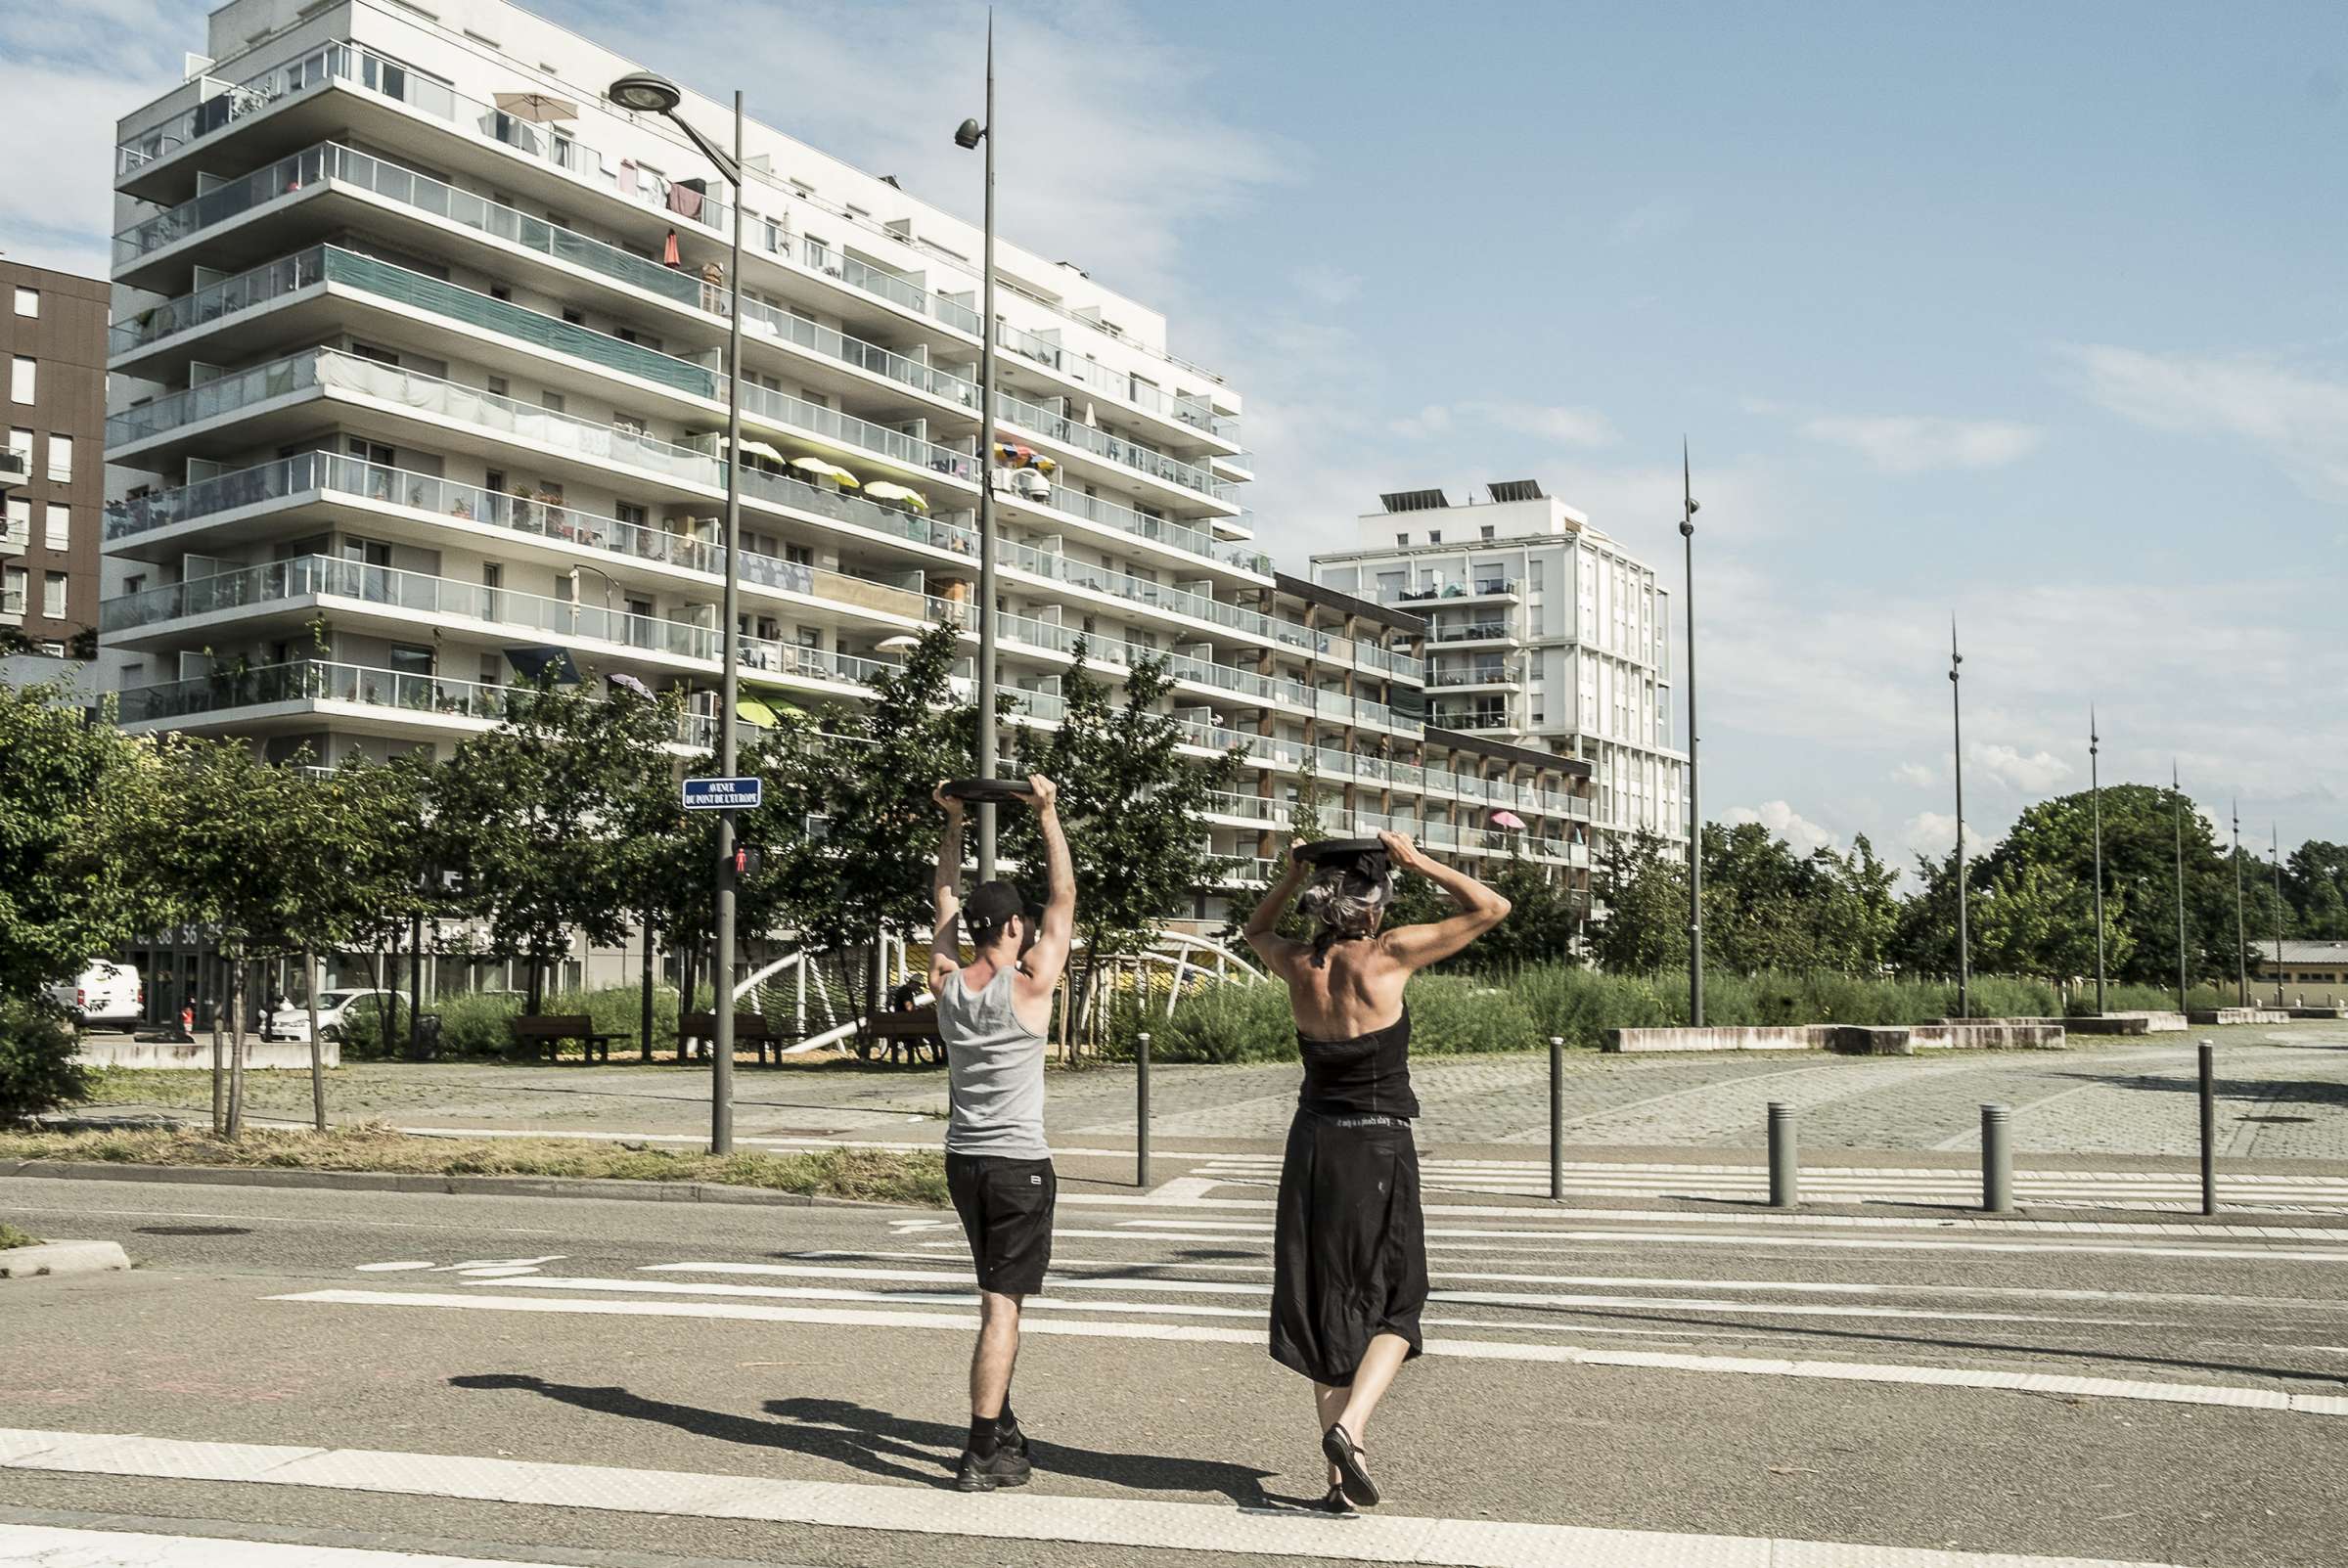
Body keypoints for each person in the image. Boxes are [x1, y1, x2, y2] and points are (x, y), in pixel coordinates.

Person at [1243, 829, 1511, 1513]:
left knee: (1325, 1304)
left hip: (1312, 1146)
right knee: (1398, 1302)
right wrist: (1419, 859)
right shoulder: (1389, 953)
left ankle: (1339, 1481)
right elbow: (1492, 907)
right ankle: (1350, 1428)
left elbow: (1254, 928)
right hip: (1378, 1146)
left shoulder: (1300, 962)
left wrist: (1292, 868)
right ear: (1377, 900)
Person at [929, 774, 1075, 1493]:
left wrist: (954, 824)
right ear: (1012, 928)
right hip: (1019, 1164)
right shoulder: (1032, 983)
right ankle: (981, 1451)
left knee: (994, 1296)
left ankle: (1005, 1430)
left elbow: (944, 904)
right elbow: (1064, 900)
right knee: (1001, 1309)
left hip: (964, 1163)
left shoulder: (945, 983)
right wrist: (1048, 814)